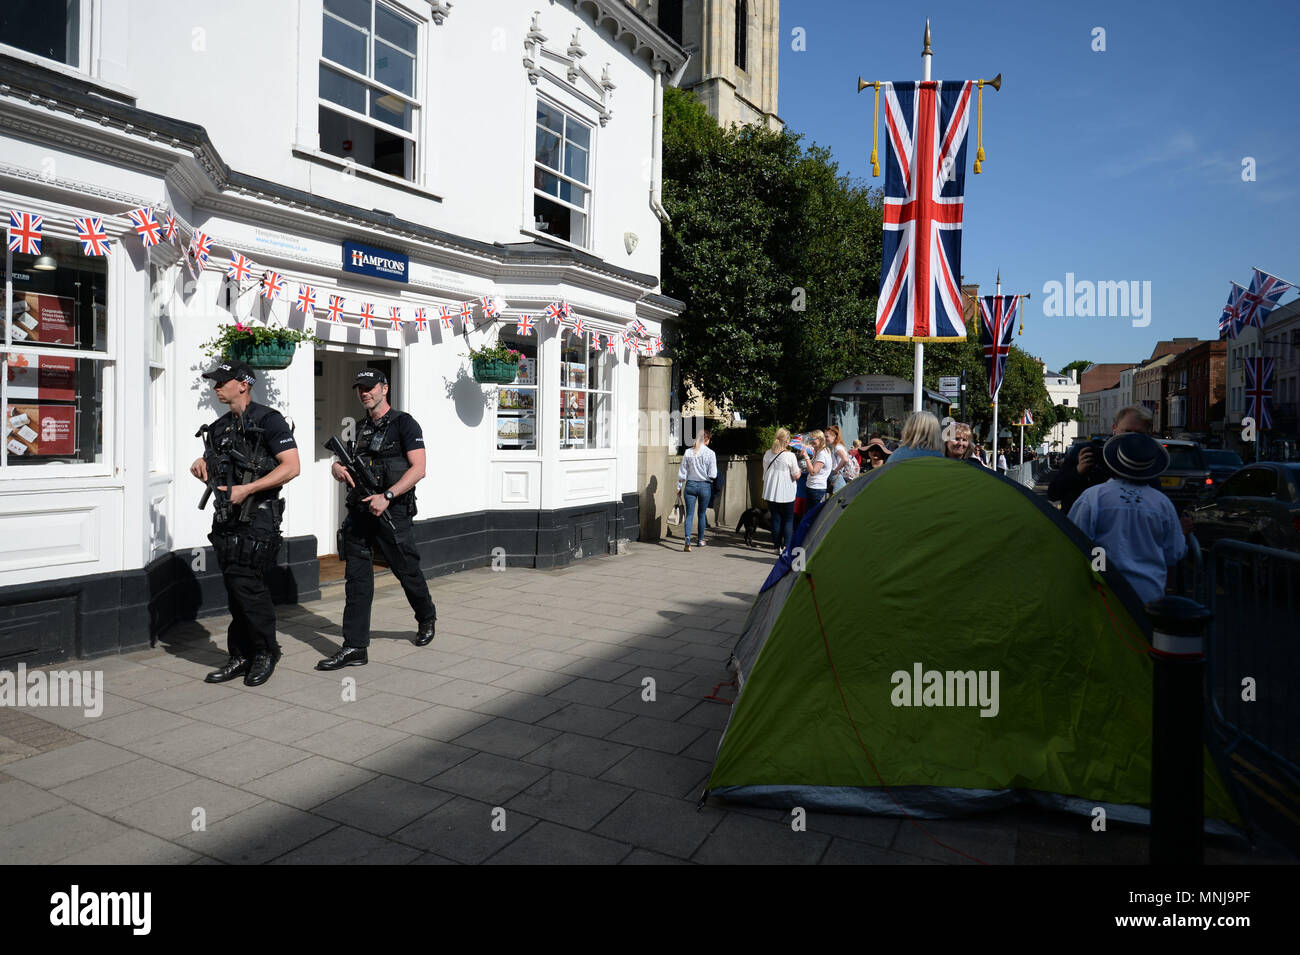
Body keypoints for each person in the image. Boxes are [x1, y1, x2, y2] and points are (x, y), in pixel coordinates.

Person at [190, 359, 300, 687]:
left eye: (222, 381)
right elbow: (217, 475)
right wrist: (201, 466)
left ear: (243, 383)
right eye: (214, 382)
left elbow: (291, 466)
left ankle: (266, 651)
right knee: (235, 588)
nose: (215, 387)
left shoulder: (270, 420)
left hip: (259, 516)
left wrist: (247, 488)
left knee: (249, 585)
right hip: (227, 518)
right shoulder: (221, 427)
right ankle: (239, 655)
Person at [319, 368, 437, 670]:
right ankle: (355, 646)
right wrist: (336, 469)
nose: (364, 393)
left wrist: (388, 496)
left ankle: (426, 617)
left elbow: (419, 468)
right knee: (357, 581)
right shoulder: (357, 428)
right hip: (361, 513)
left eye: (370, 387)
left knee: (407, 570)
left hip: (392, 511)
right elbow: (342, 463)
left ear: (385, 388)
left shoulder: (404, 424)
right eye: (360, 388)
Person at [1068, 432, 1188, 608]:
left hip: (1105, 590)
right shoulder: (1162, 503)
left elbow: (1077, 544)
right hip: (1149, 594)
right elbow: (1174, 552)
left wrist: (1100, 565)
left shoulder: (1094, 497)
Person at [1049, 405, 1158, 515]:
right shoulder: (1089, 452)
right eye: (1127, 431)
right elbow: (1053, 493)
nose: (1132, 437)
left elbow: (1155, 496)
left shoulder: (1147, 461)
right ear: (1114, 428)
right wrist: (1077, 471)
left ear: (1148, 434)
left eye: (1139, 433)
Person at [761, 428, 802, 552]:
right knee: (788, 519)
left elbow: (765, 470)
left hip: (771, 490)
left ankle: (776, 546)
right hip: (786, 491)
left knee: (776, 518)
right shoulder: (790, 456)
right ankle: (786, 547)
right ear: (787, 441)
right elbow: (796, 475)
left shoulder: (768, 453)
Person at [677, 429, 717, 551]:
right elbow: (713, 474)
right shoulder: (710, 453)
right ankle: (700, 540)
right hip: (704, 486)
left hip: (690, 485)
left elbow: (682, 472)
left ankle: (687, 540)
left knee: (689, 515)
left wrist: (678, 488)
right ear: (707, 440)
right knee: (701, 514)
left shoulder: (688, 452)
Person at [802, 430, 833, 506]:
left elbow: (813, 472)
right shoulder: (820, 451)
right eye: (810, 440)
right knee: (811, 514)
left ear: (820, 439)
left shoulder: (822, 454)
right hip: (814, 487)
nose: (811, 442)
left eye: (813, 440)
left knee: (813, 515)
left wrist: (806, 457)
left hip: (816, 488)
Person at [825, 425, 855, 494]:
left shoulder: (837, 447)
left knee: (837, 497)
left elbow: (845, 459)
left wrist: (836, 470)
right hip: (837, 476)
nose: (825, 438)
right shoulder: (837, 446)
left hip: (837, 476)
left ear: (834, 436)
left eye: (827, 436)